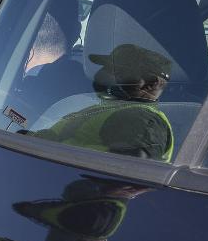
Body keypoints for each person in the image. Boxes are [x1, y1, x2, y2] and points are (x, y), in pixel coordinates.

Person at [34, 43, 174, 161]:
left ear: (150, 83)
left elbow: (131, 170)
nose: (103, 74)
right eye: (106, 68)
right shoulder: (115, 107)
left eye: (117, 71)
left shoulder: (140, 118)